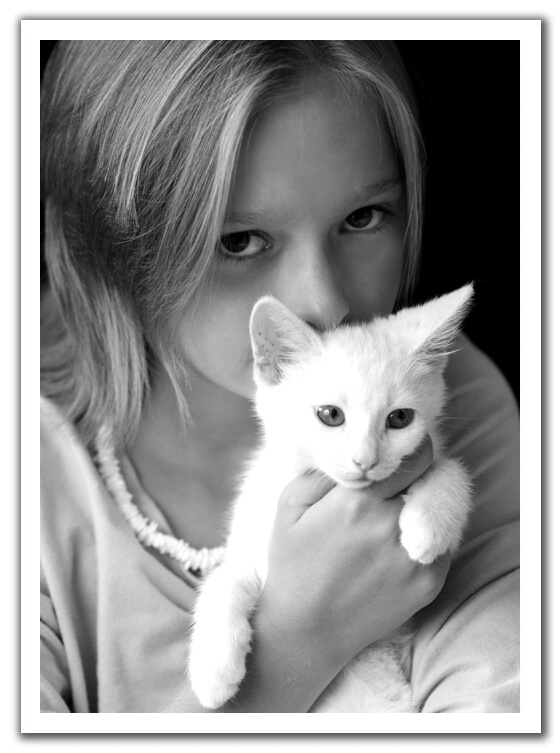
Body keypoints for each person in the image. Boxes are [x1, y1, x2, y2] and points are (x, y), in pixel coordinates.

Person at [40, 40, 520, 714]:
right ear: (111, 245)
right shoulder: (30, 471)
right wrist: (298, 641)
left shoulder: (448, 392)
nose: (324, 302)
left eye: (362, 218)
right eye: (239, 241)